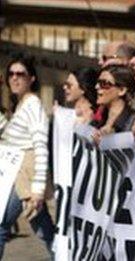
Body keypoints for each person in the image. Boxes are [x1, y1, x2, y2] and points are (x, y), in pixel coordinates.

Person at [0, 56, 54, 258]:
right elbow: (9, 136)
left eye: (20, 74)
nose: (14, 78)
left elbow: (41, 146)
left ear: (31, 78)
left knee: (2, 224)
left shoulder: (32, 104)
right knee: (46, 232)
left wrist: (38, 190)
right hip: (16, 174)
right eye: (11, 74)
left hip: (25, 176)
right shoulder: (21, 105)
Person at [91, 65, 135, 139]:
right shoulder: (98, 120)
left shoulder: (134, 122)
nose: (96, 87)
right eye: (97, 82)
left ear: (122, 90)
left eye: (104, 84)